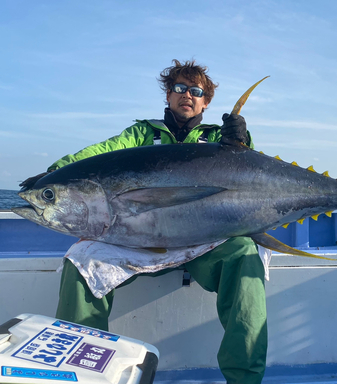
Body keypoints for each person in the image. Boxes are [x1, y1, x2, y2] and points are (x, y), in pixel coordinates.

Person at [21, 60, 267, 384]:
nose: (187, 95)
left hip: (205, 241)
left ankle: (244, 380)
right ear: (168, 95)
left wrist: (244, 144)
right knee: (82, 263)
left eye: (196, 91)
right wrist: (55, 174)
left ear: (205, 101)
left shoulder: (219, 139)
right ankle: (80, 377)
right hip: (136, 241)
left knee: (246, 257)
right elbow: (100, 152)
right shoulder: (142, 134)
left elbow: (259, 180)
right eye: (179, 88)